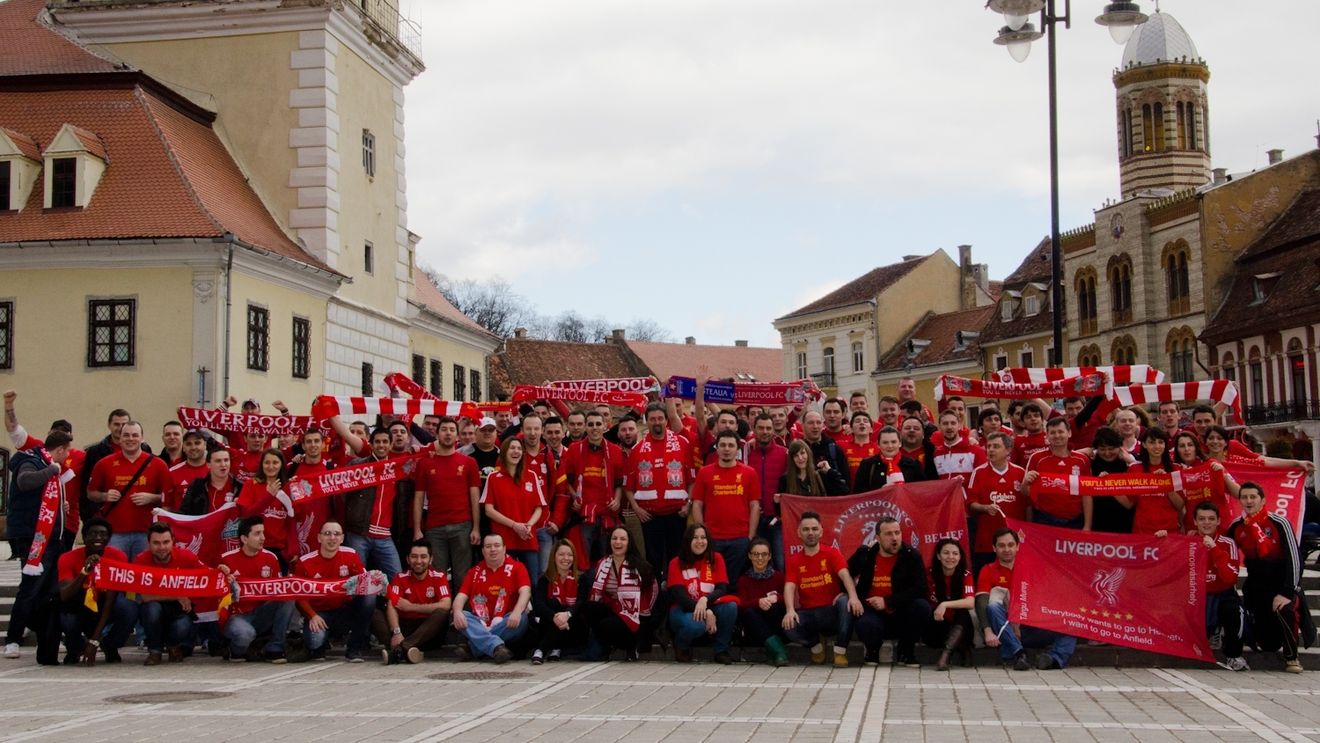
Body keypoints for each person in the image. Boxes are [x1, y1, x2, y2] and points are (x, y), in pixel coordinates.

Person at [4, 430, 74, 663]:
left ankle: (49, 637)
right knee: (30, 589)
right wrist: (51, 470)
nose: (66, 458)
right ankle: (13, 639)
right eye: (67, 452)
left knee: (50, 592)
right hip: (35, 539)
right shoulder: (32, 461)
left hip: (54, 539)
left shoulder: (47, 464)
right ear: (61, 449)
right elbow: (25, 482)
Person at [1226, 482, 1303, 673]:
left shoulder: (1279, 523)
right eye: (1244, 497)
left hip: (1281, 582)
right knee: (1267, 643)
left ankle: (1292, 658)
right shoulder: (1236, 526)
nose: (1249, 501)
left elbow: (1295, 559)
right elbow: (1224, 551)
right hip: (1256, 585)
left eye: (1253, 497)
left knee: (1285, 610)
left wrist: (1287, 591)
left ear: (1263, 500)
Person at [976, 527, 1077, 670]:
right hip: (1005, 627)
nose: (1007, 549)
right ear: (994, 548)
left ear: (1017, 547)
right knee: (992, 606)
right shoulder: (988, 570)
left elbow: (1044, 598)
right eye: (1001, 545)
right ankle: (1019, 654)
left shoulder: (1032, 567)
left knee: (1072, 624)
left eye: (1011, 545)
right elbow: (981, 602)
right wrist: (987, 630)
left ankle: (1053, 659)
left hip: (1031, 626)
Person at [782, 512, 863, 667]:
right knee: (788, 625)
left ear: (821, 531)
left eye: (814, 529)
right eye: (806, 529)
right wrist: (790, 610)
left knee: (846, 601)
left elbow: (845, 575)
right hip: (809, 614)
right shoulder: (794, 560)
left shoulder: (832, 553)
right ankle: (816, 647)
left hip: (830, 612)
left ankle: (840, 652)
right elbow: (789, 586)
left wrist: (853, 596)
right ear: (799, 533)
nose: (810, 533)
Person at [847, 517, 929, 667]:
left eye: (897, 533)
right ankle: (872, 651)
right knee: (864, 621)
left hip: (900, 609)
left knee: (922, 607)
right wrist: (849, 594)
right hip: (871, 611)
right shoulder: (865, 554)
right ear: (878, 538)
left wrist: (888, 601)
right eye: (889, 534)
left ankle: (906, 651)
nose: (894, 538)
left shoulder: (911, 555)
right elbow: (844, 573)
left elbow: (920, 589)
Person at [57, 518, 137, 665]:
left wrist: (94, 640)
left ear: (109, 538)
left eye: (102, 534)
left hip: (106, 602)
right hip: (79, 603)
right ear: (85, 537)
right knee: (65, 616)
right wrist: (84, 572)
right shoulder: (67, 558)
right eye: (92, 534)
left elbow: (111, 599)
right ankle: (75, 647)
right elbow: (65, 594)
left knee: (129, 607)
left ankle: (110, 645)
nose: (98, 538)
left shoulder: (118, 557)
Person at [86, 421, 170, 561]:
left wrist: (152, 498)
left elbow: (168, 498)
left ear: (142, 438)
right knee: (116, 575)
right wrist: (104, 495)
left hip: (147, 532)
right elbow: (91, 494)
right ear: (120, 439)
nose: (130, 439)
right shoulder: (104, 464)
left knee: (142, 575)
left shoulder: (158, 465)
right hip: (114, 532)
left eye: (135, 435)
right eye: (126, 435)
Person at [413, 416, 481, 585]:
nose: (448, 434)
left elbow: (474, 497)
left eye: (452, 430)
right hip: (434, 528)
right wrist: (417, 529)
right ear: (437, 434)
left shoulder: (469, 462)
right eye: (444, 430)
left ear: (457, 436)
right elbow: (419, 497)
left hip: (462, 526)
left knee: (462, 575)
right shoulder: (425, 463)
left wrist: (476, 528)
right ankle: (440, 610)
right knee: (437, 575)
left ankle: (461, 611)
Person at [574, 526, 657, 662]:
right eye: (614, 538)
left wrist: (645, 611)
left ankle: (632, 646)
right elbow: (598, 593)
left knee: (607, 625)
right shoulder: (603, 563)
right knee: (588, 608)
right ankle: (604, 647)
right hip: (613, 608)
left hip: (635, 614)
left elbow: (654, 590)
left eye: (623, 539)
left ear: (629, 542)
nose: (618, 542)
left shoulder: (641, 566)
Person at [293, 521, 373, 662]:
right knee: (315, 641)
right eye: (327, 534)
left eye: (336, 534)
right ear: (319, 538)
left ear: (342, 538)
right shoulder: (305, 562)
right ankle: (319, 646)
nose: (332, 538)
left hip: (344, 611)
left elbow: (364, 582)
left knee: (369, 598)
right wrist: (312, 616)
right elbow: (299, 596)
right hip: (319, 614)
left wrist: (377, 579)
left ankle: (354, 650)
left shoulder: (351, 555)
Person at [218, 516, 294, 663]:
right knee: (245, 634)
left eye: (263, 533)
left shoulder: (271, 558)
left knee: (288, 598)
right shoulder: (227, 559)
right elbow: (218, 595)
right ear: (244, 539)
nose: (263, 538)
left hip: (261, 612)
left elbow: (279, 591)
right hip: (237, 615)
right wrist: (224, 580)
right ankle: (234, 650)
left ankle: (275, 648)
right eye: (257, 534)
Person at [691, 430, 760, 585]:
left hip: (740, 538)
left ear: (737, 449)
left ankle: (732, 607)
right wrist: (702, 534)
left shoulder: (749, 473)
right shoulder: (704, 472)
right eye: (722, 445)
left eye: (730, 445)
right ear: (717, 447)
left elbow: (754, 505)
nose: (726, 449)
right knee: (712, 581)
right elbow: (697, 504)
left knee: (735, 581)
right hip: (713, 538)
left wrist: (750, 536)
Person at [555, 411, 625, 560]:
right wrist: (575, 498)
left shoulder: (616, 451)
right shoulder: (574, 449)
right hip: (584, 513)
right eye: (591, 424)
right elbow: (566, 480)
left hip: (607, 512)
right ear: (585, 427)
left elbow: (619, 482)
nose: (595, 428)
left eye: (598, 424)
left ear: (605, 426)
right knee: (583, 558)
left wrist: (617, 500)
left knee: (606, 557)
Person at [452, 534, 532, 664]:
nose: (493, 549)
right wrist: (457, 612)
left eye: (497, 545)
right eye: (488, 546)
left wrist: (517, 612)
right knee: (463, 616)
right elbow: (460, 597)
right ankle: (495, 647)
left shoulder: (518, 567)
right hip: (480, 621)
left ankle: (472, 647)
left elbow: (525, 592)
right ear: (483, 551)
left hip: (507, 620)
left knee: (522, 619)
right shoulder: (474, 572)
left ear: (504, 548)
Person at [667, 524, 738, 664]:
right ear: (688, 541)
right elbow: (680, 598)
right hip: (682, 610)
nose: (700, 541)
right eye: (695, 538)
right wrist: (707, 612)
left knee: (731, 607)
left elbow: (722, 589)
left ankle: (721, 650)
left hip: (708, 605)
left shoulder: (716, 558)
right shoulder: (676, 562)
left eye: (703, 537)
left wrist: (704, 600)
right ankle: (681, 646)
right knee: (696, 625)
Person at [135, 523, 202, 665]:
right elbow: (145, 597)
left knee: (183, 626)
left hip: (180, 610)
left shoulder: (187, 557)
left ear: (173, 542)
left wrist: (222, 571)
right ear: (148, 544)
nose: (161, 547)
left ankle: (173, 646)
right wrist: (177, 595)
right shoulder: (141, 560)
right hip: (154, 608)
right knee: (152, 610)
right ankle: (155, 651)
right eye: (156, 543)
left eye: (166, 542)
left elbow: (207, 575)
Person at [376, 540, 452, 665]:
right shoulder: (399, 578)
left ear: (430, 559)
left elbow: (446, 604)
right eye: (414, 556)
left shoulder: (439, 577)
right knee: (375, 613)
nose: (418, 561)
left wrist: (411, 607)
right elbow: (392, 604)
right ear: (407, 559)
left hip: (428, 631)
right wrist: (397, 632)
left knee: (441, 613)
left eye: (423, 557)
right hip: (404, 629)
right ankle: (407, 651)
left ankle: (400, 650)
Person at [482, 437, 547, 581]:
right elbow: (489, 510)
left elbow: (539, 508)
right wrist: (514, 525)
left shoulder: (531, 476)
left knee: (532, 583)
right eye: (512, 448)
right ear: (504, 451)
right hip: (503, 542)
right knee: (505, 584)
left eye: (519, 448)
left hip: (528, 539)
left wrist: (528, 525)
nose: (516, 451)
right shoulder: (493, 477)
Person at [341, 429, 403, 579]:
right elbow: (339, 489)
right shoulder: (357, 465)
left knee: (397, 577)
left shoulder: (398, 468)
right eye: (377, 442)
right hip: (358, 533)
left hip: (385, 535)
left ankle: (388, 603)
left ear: (390, 444)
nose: (381, 445)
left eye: (385, 442)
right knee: (357, 580)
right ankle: (361, 604)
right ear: (371, 444)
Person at [1192, 502, 1247, 671]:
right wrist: (1162, 537)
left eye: (1211, 519)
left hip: (1223, 592)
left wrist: (1214, 549)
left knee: (1234, 611)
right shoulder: (1187, 542)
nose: (1206, 523)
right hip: (1198, 595)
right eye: (1202, 519)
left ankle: (1233, 655)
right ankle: (1212, 629)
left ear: (1218, 521)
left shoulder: (1227, 543)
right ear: (1195, 522)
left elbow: (1230, 578)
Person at [965, 432, 1027, 576]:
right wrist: (985, 508)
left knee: (1017, 579)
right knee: (987, 580)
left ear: (1008, 449)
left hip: (1014, 541)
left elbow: (1028, 506)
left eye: (996, 446)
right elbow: (971, 504)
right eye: (989, 446)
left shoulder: (1020, 472)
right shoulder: (978, 473)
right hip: (987, 541)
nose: (991, 450)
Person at [1021, 417, 1092, 530]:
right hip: (1045, 519)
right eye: (1053, 433)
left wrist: (1087, 525)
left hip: (1075, 521)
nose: (1057, 435)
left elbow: (1087, 494)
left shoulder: (1082, 460)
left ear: (1069, 433)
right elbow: (1025, 493)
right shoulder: (1037, 458)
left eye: (1060, 431)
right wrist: (1025, 482)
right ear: (1047, 436)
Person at [1116, 427, 1182, 536]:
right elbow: (1129, 504)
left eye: (1161, 442)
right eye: (1152, 442)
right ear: (1144, 444)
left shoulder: (1176, 469)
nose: (1157, 446)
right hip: (1142, 531)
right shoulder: (1134, 469)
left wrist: (1166, 483)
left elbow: (1179, 505)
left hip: (1170, 530)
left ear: (1165, 445)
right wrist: (1107, 486)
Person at [235, 448, 294, 569]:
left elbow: (292, 520)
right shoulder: (250, 484)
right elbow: (246, 514)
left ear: (282, 465)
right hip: (253, 549)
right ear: (261, 465)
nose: (271, 466)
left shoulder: (289, 487)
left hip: (279, 550)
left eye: (275, 462)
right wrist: (269, 497)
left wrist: (293, 548)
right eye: (267, 462)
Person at [744, 413, 789, 574]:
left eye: (768, 428)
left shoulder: (784, 453)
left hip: (776, 519)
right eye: (761, 428)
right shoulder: (745, 452)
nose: (765, 431)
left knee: (780, 562)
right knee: (752, 563)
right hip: (751, 519)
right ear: (754, 429)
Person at [1173, 430, 1239, 535]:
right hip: (1194, 530)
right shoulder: (1176, 472)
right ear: (1177, 450)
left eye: (1190, 445)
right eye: (1182, 446)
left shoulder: (1211, 465)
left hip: (1220, 528)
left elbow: (1238, 493)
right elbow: (1179, 506)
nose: (1186, 449)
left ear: (1196, 447)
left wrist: (1224, 474)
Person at [531, 539, 584, 664]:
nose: (566, 558)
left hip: (572, 625)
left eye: (569, 555)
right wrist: (554, 616)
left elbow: (581, 603)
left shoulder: (582, 578)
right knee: (553, 604)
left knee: (564, 609)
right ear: (553, 556)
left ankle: (541, 650)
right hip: (550, 623)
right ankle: (555, 648)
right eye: (561, 554)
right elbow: (539, 605)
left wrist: (567, 615)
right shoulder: (545, 579)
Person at [736, 538, 788, 666]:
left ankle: (775, 647)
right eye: (756, 554)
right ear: (750, 556)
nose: (760, 558)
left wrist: (777, 598)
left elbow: (788, 598)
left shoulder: (779, 577)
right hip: (754, 631)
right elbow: (741, 605)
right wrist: (758, 602)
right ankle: (778, 651)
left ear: (770, 556)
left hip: (775, 625)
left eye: (764, 554)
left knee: (774, 607)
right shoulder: (743, 580)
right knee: (749, 612)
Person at [925, 538, 975, 671]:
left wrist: (945, 604)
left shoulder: (966, 574)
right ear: (938, 556)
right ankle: (962, 649)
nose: (951, 557)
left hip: (960, 626)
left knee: (963, 613)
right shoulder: (928, 574)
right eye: (946, 553)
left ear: (960, 557)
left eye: (955, 553)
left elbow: (970, 602)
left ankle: (945, 656)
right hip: (937, 625)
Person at [853, 426, 923, 491]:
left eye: (893, 442)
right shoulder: (867, 465)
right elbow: (859, 495)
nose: (890, 446)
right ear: (878, 445)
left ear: (900, 443)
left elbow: (920, 491)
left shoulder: (912, 464)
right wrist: (881, 493)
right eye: (885, 442)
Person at [179, 447, 240, 516]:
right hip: (202, 526)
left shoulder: (240, 487)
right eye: (218, 461)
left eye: (226, 460)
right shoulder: (197, 486)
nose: (223, 464)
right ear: (208, 465)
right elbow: (184, 513)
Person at [932, 410, 986, 484]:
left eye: (953, 423)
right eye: (945, 424)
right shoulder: (936, 453)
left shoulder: (976, 451)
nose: (949, 427)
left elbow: (983, 481)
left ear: (959, 425)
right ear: (939, 427)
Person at [165, 430, 210, 511]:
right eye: (189, 444)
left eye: (197, 443)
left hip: (210, 522)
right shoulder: (171, 473)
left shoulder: (214, 471)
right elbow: (166, 507)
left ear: (205, 445)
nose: (193, 447)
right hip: (180, 522)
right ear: (183, 448)